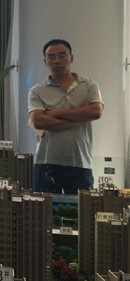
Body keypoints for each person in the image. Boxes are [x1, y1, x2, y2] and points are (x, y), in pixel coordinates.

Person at [28, 39, 104, 194]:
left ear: (71, 58)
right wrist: (81, 116)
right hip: (46, 163)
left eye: (62, 56)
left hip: (80, 163)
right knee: (45, 208)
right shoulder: (37, 90)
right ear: (45, 62)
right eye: (51, 57)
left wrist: (55, 113)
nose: (57, 61)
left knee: (81, 208)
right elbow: (38, 121)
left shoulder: (89, 85)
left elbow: (96, 112)